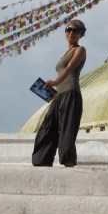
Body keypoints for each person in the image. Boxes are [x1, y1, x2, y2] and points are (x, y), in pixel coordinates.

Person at [32, 19, 87, 167]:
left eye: (75, 30)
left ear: (81, 34)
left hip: (71, 92)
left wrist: (55, 82)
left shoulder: (80, 50)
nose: (71, 33)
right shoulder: (65, 53)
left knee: (67, 130)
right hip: (58, 95)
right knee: (47, 128)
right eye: (68, 30)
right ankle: (42, 161)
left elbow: (69, 69)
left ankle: (68, 162)